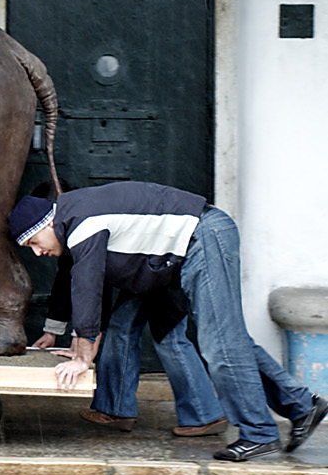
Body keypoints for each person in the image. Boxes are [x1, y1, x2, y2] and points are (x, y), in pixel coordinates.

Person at [9, 180, 328, 461]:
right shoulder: (74, 217)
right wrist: (83, 347)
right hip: (188, 249)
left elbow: (87, 286)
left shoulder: (80, 222)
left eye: (34, 242)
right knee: (228, 340)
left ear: (47, 224)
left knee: (221, 345)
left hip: (203, 238)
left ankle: (259, 434)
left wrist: (82, 356)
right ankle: (301, 406)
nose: (37, 253)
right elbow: (85, 283)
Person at [29, 182, 226, 437]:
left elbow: (91, 293)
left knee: (170, 338)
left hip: (164, 266)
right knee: (124, 326)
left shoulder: (83, 225)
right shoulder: (74, 228)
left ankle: (204, 415)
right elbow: (73, 284)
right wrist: (56, 333)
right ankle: (117, 409)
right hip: (145, 273)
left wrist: (84, 351)